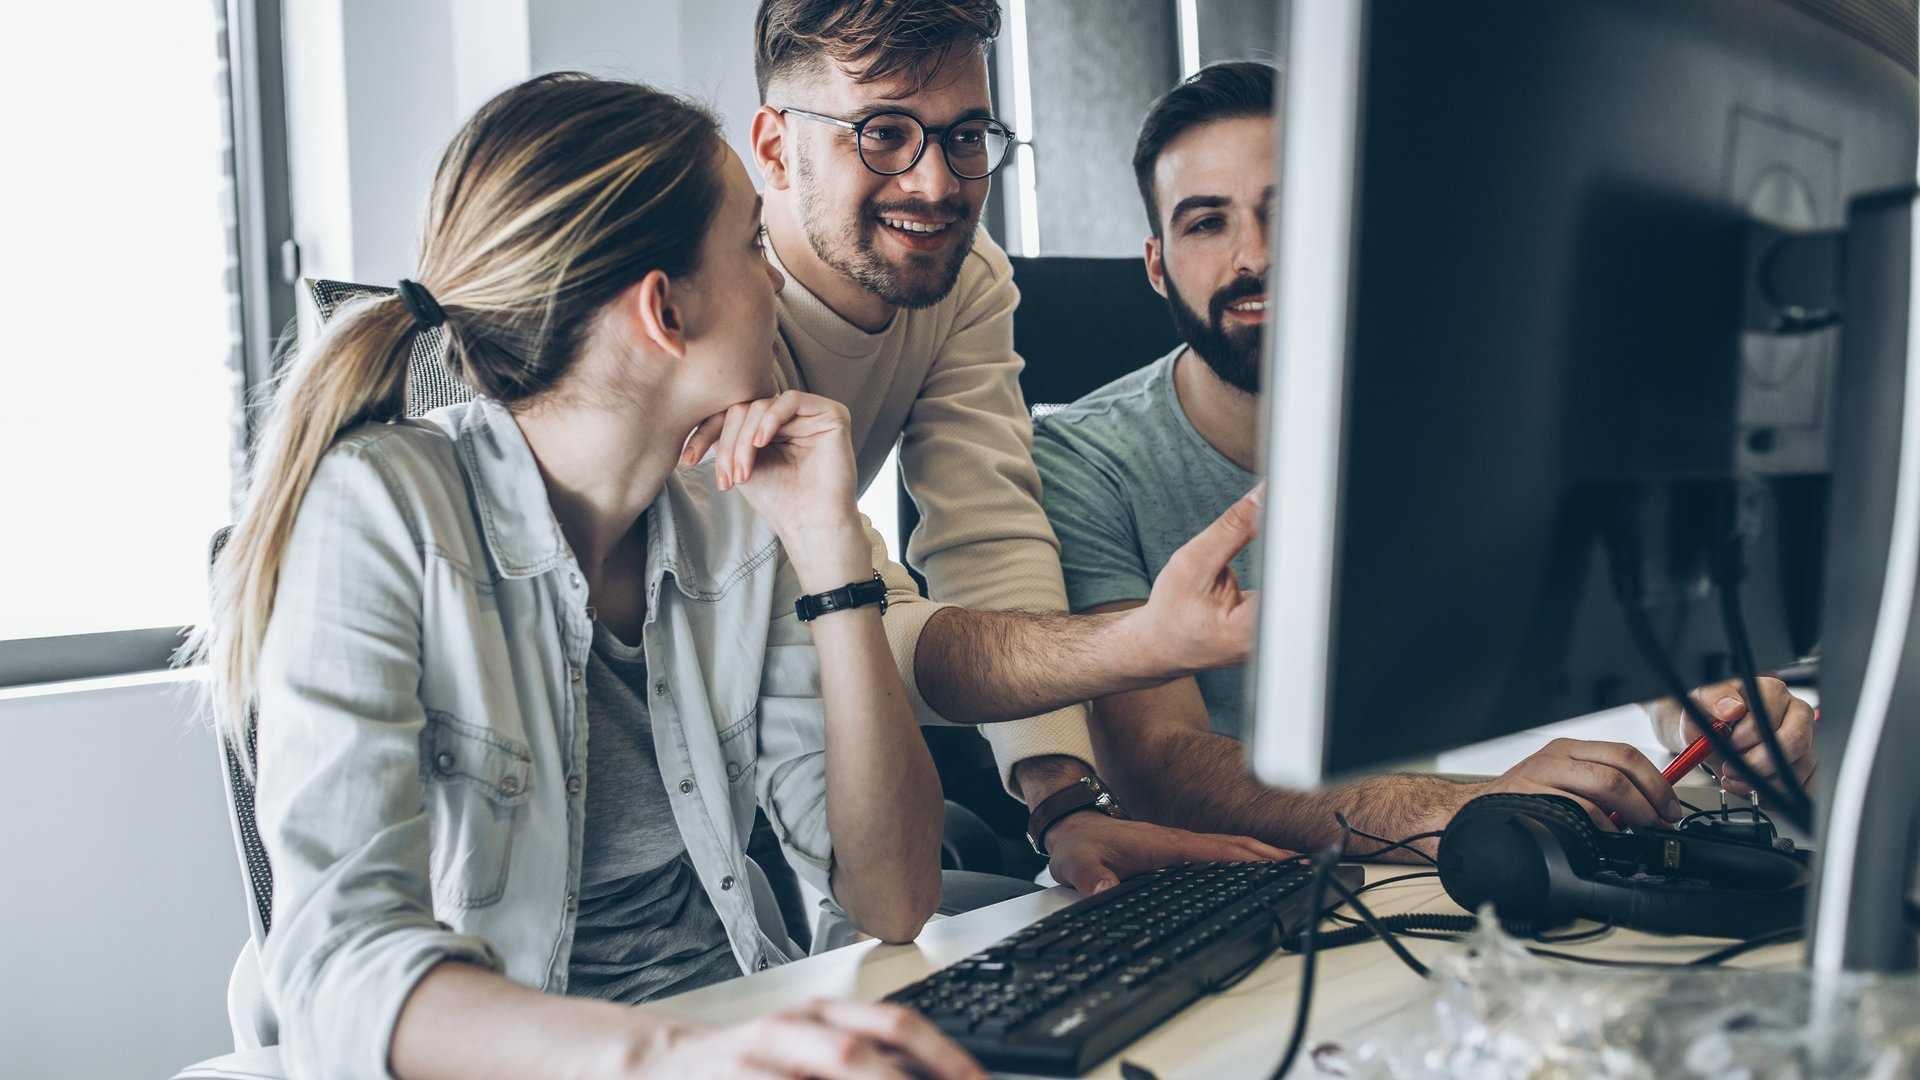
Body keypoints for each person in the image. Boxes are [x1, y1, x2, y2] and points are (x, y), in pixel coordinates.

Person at [191, 73, 983, 1080]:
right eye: (750, 243)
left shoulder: (737, 511)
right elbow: (347, 966)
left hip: (733, 1027)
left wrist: (832, 547)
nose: (775, 279)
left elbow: (893, 897)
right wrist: (684, 1057)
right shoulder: (375, 510)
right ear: (664, 311)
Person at [1030, 61, 1819, 855]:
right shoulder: (1086, 456)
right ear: (1157, 264)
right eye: (1207, 223)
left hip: (1456, 869)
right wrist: (1449, 809)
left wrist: (1706, 705)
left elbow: (1602, 629)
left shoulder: (1465, 416)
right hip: (1237, 890)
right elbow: (1159, 763)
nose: (1255, 257)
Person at [748, 0, 1279, 893]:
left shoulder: (964, 275)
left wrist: (1063, 805)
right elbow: (858, 621)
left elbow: (987, 543)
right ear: (772, 149)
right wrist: (1140, 645)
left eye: (965, 137)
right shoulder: (713, 311)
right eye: (882, 133)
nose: (935, 185)